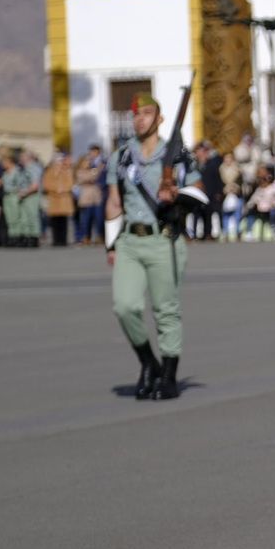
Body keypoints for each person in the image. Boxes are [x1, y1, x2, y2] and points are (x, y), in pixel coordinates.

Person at [103, 92, 202, 401]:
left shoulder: (177, 154)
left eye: (146, 113)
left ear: (159, 119)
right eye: (135, 114)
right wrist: (111, 243)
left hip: (164, 239)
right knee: (125, 306)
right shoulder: (120, 156)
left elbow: (198, 192)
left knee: (165, 310)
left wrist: (176, 194)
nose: (139, 119)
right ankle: (149, 362)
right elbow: (114, 201)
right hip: (130, 240)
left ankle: (169, 377)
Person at [1, 149, 42, 248]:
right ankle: (26, 237)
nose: (21, 159)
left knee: (32, 217)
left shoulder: (34, 168)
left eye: (23, 157)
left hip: (31, 196)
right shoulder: (24, 169)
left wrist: (25, 192)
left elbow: (35, 185)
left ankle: (33, 238)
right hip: (25, 195)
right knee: (24, 218)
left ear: (29, 158)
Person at [42, 151, 75, 246]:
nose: (59, 163)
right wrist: (56, 189)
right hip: (54, 199)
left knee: (63, 221)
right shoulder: (49, 172)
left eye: (61, 161)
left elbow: (70, 183)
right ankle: (56, 240)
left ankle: (63, 240)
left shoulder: (67, 171)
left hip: (64, 199)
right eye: (58, 161)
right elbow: (46, 184)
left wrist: (63, 189)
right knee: (55, 221)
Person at [74, 145, 106, 246]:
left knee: (99, 218)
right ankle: (85, 237)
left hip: (96, 197)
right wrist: (97, 171)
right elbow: (89, 178)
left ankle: (100, 236)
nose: (88, 161)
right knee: (86, 219)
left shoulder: (96, 166)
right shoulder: (82, 170)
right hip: (86, 198)